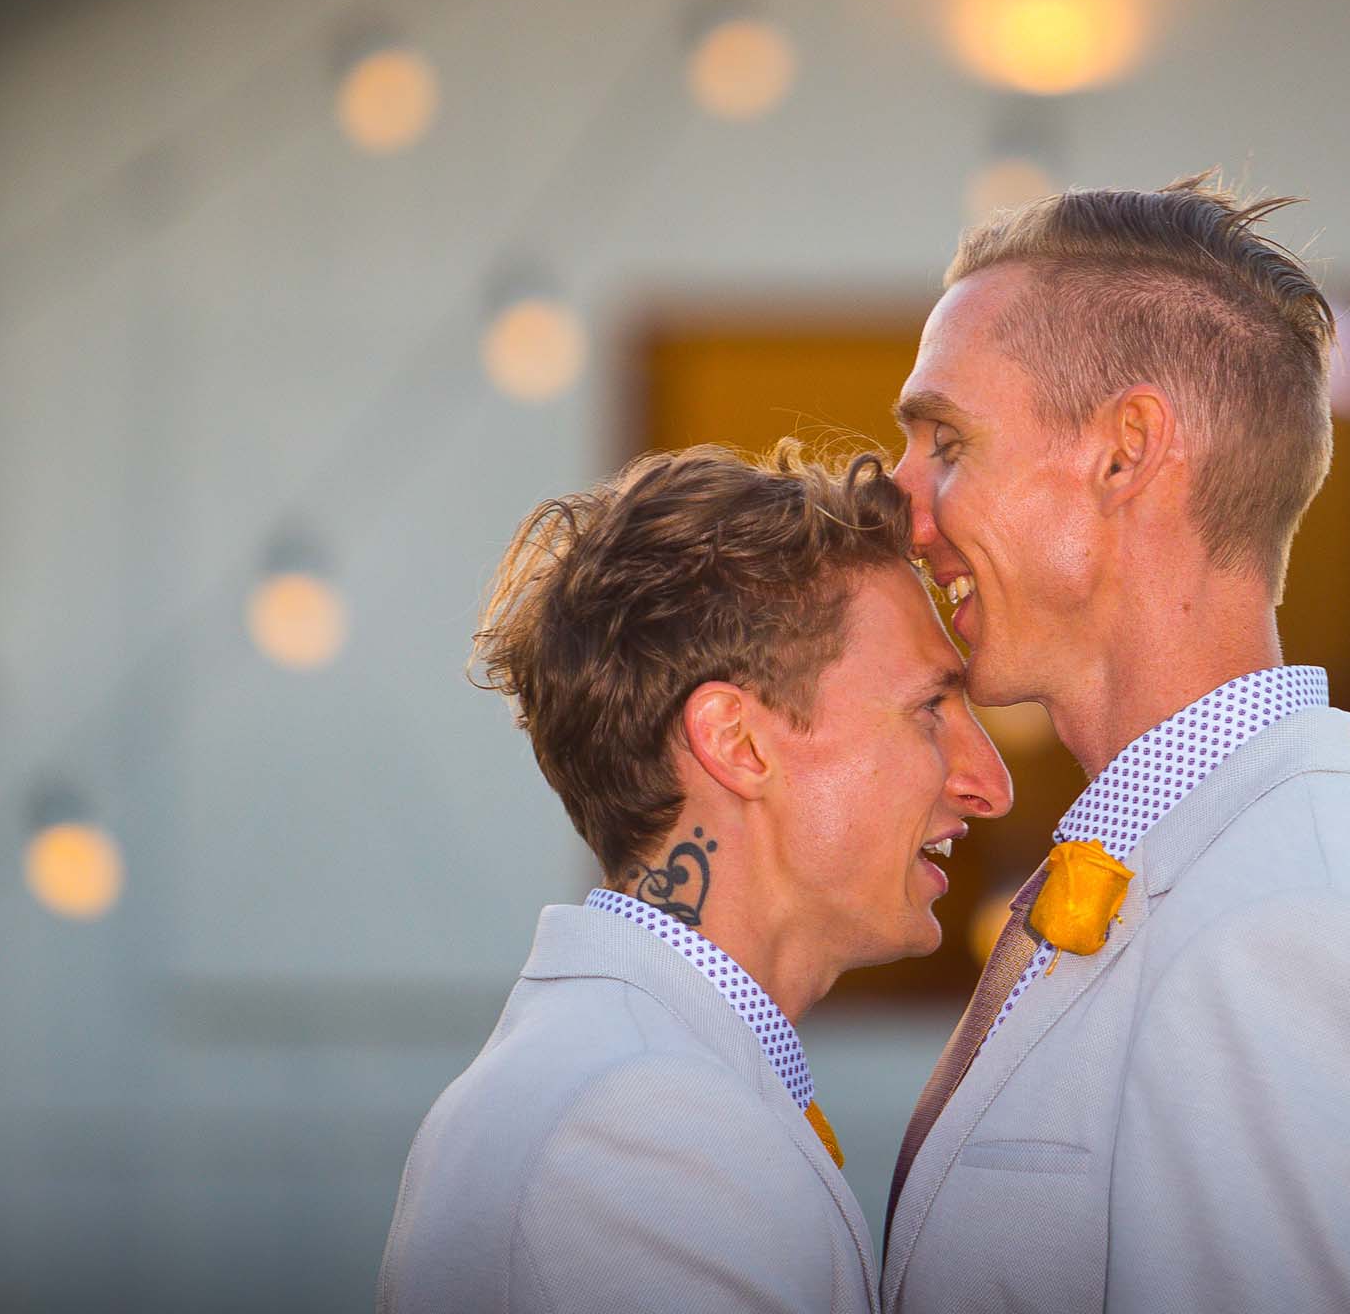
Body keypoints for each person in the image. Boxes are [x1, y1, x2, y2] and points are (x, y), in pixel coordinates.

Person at [882, 175, 1350, 1313]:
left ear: (1126, 452)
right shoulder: (1225, 871)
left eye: (945, 439)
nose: (901, 500)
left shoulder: (1294, 933)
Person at [379, 441, 1012, 1314]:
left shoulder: (632, 1080)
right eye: (931, 708)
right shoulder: (643, 1128)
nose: (989, 783)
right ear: (737, 742)